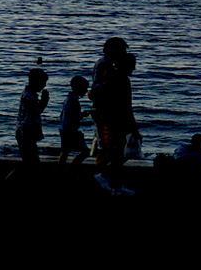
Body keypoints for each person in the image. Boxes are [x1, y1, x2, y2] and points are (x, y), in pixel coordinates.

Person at [90, 38, 140, 196]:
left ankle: (109, 179)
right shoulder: (106, 67)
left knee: (113, 147)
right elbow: (99, 91)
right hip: (107, 114)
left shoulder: (109, 68)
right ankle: (103, 178)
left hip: (108, 113)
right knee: (111, 147)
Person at [16, 67, 50, 165]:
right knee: (31, 163)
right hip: (26, 134)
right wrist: (44, 102)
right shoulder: (31, 97)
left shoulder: (28, 94)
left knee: (29, 163)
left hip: (24, 133)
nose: (44, 85)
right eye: (43, 82)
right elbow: (35, 113)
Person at [57, 75, 90, 166]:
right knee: (85, 152)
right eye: (85, 88)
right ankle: (72, 169)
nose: (86, 90)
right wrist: (82, 114)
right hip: (70, 131)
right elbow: (72, 116)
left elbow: (63, 115)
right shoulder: (74, 100)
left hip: (64, 129)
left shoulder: (68, 99)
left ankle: (60, 172)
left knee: (65, 152)